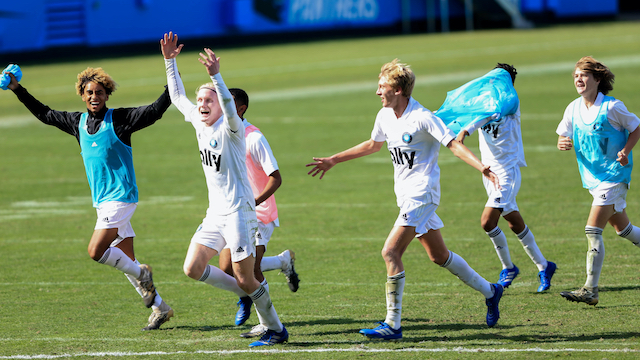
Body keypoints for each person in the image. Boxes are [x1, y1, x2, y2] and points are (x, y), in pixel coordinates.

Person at [306, 59, 504, 340]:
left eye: (382, 86)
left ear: (398, 90)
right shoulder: (384, 115)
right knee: (439, 256)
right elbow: (373, 144)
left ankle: (393, 325)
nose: (377, 92)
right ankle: (491, 291)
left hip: (422, 195)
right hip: (405, 195)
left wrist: (481, 166)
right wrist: (334, 159)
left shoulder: (423, 117)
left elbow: (453, 145)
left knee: (390, 252)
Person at [2, 64, 173, 331]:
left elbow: (153, 112)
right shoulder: (77, 123)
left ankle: (144, 275)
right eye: (90, 92)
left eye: (100, 92)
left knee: (97, 251)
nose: (95, 97)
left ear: (107, 95)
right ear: (82, 95)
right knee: (127, 260)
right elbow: (45, 114)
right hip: (103, 202)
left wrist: (171, 82)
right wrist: (17, 89)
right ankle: (160, 308)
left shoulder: (119, 119)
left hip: (121, 197)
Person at [160, 32, 288, 346]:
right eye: (200, 100)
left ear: (221, 105)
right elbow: (177, 97)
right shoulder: (198, 121)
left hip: (240, 213)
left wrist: (216, 77)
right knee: (192, 267)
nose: (201, 104)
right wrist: (169, 61)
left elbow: (229, 106)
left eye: (208, 100)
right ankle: (251, 301)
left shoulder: (232, 129)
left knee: (246, 277)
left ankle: (275, 328)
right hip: (216, 212)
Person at [451, 64, 556, 292]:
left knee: (488, 222)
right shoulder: (485, 104)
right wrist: (463, 128)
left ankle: (508, 268)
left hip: (506, 173)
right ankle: (544, 265)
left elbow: (492, 114)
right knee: (514, 222)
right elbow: (479, 116)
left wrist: (466, 131)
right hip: (489, 173)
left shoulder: (510, 103)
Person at [556, 56, 640, 306]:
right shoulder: (573, 108)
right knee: (623, 229)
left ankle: (590, 290)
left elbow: (636, 127)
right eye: (575, 76)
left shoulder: (612, 107)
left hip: (614, 175)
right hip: (593, 180)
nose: (578, 79)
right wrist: (562, 142)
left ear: (597, 79)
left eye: (583, 75)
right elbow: (563, 134)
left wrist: (625, 151)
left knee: (592, 230)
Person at [216, 87, 300, 338]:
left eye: (227, 104)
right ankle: (283, 262)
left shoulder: (254, 138)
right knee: (227, 267)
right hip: (235, 212)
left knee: (251, 272)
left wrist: (254, 201)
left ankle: (269, 325)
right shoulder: (224, 135)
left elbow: (276, 178)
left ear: (240, 109)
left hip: (260, 213)